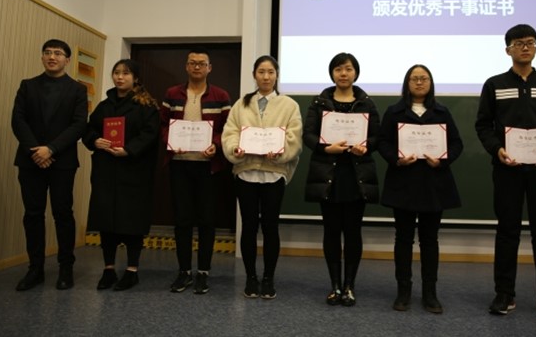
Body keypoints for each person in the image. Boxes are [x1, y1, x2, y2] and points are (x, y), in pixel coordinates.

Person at [475, 24, 536, 322]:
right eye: (519, 43)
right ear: (508, 49)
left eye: (531, 42)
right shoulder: (494, 84)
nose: (526, 47)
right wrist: (497, 149)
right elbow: (483, 125)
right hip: (508, 169)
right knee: (508, 231)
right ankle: (504, 293)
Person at [378, 64, 463, 313]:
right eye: (414, 78)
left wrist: (443, 160)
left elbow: (456, 143)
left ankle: (430, 293)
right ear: (407, 83)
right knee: (403, 239)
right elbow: (383, 142)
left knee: (429, 240)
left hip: (434, 184)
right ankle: (403, 291)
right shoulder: (394, 112)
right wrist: (397, 158)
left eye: (423, 78)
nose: (419, 82)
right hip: (403, 182)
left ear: (430, 82)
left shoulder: (442, 112)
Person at [221, 55, 303, 299]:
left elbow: (295, 138)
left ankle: (268, 278)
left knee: (270, 226)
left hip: (273, 174)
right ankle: (251, 278)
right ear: (254, 75)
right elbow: (230, 133)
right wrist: (235, 149)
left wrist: (279, 153)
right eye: (261, 72)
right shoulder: (241, 104)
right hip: (245, 172)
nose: (266, 77)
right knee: (248, 226)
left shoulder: (289, 105)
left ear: (276, 75)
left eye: (270, 72)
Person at [303, 52, 380, 307]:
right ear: (332, 73)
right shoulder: (319, 102)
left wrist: (365, 147)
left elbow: (377, 136)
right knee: (332, 231)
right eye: (338, 69)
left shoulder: (366, 103)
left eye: (348, 69)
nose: (343, 74)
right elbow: (308, 134)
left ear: (355, 72)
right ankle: (335, 285)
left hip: (357, 176)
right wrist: (326, 148)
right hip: (329, 175)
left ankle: (349, 286)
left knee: (353, 231)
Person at [11, 39, 88, 291]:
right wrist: (36, 150)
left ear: (67, 60)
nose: (52, 57)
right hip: (30, 159)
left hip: (62, 161)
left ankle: (66, 268)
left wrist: (51, 149)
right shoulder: (28, 85)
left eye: (57, 53)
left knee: (62, 214)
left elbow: (79, 124)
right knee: (33, 214)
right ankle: (35, 269)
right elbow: (18, 120)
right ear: (42, 57)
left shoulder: (77, 89)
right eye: (47, 52)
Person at [82, 59, 160, 291]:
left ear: (135, 78)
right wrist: (94, 140)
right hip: (106, 170)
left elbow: (150, 134)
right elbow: (89, 129)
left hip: (134, 171)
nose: (120, 77)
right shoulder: (104, 105)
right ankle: (108, 269)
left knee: (132, 222)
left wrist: (129, 149)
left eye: (126, 73)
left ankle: (132, 270)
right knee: (106, 221)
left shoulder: (146, 105)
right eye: (116, 73)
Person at [160, 48, 231, 294]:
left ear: (209, 68)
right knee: (182, 220)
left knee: (207, 220)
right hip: (179, 164)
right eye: (192, 63)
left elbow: (228, 129)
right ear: (186, 66)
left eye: (202, 63)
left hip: (208, 166)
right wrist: (170, 141)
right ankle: (184, 272)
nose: (197, 67)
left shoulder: (221, 95)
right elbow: (163, 124)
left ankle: (203, 272)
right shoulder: (172, 94)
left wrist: (216, 145)